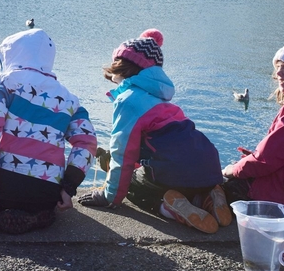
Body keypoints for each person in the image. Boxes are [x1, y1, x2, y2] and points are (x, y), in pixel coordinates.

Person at [78, 30, 230, 233]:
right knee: (179, 177)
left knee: (133, 185)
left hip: (175, 168)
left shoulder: (129, 100)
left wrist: (109, 196)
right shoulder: (163, 101)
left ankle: (169, 208)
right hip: (207, 165)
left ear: (123, 64)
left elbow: (123, 154)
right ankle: (207, 196)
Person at [0, 28, 97, 236]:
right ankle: (38, 216)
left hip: (5, 181)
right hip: (46, 189)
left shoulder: (2, 85)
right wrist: (68, 187)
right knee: (44, 208)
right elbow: (87, 143)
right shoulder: (69, 100)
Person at [222, 42, 284, 207]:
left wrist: (231, 170)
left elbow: (265, 159)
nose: (278, 73)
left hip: (282, 195)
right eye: (278, 66)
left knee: (221, 183)